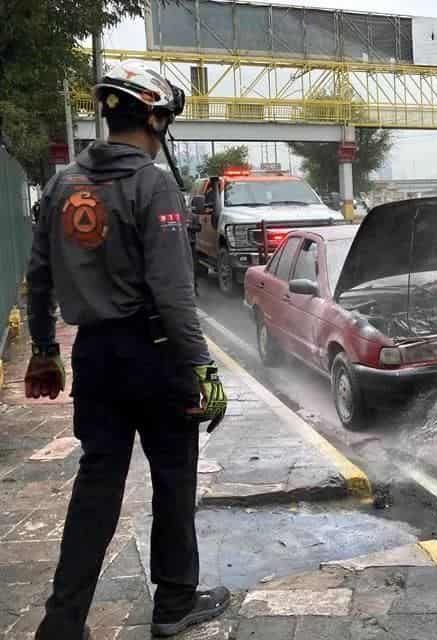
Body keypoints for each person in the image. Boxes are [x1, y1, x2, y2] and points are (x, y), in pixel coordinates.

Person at [26, 60, 229, 639]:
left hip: (94, 357)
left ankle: (62, 623)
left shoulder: (64, 183)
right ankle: (174, 605)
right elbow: (173, 292)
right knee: (172, 479)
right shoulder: (153, 182)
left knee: (97, 484)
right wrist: (202, 368)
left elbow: (39, 276)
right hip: (156, 357)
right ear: (157, 117)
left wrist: (45, 350)